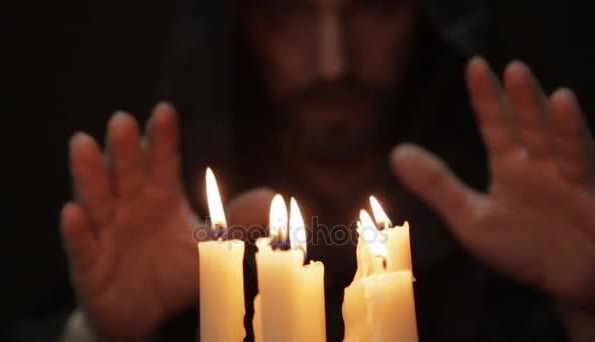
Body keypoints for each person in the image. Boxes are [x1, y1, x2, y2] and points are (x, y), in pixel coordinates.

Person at [57, 0, 595, 341]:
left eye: (374, 6)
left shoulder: (513, 259)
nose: (333, 61)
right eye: (288, 9)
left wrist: (586, 309)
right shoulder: (160, 246)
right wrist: (95, 336)